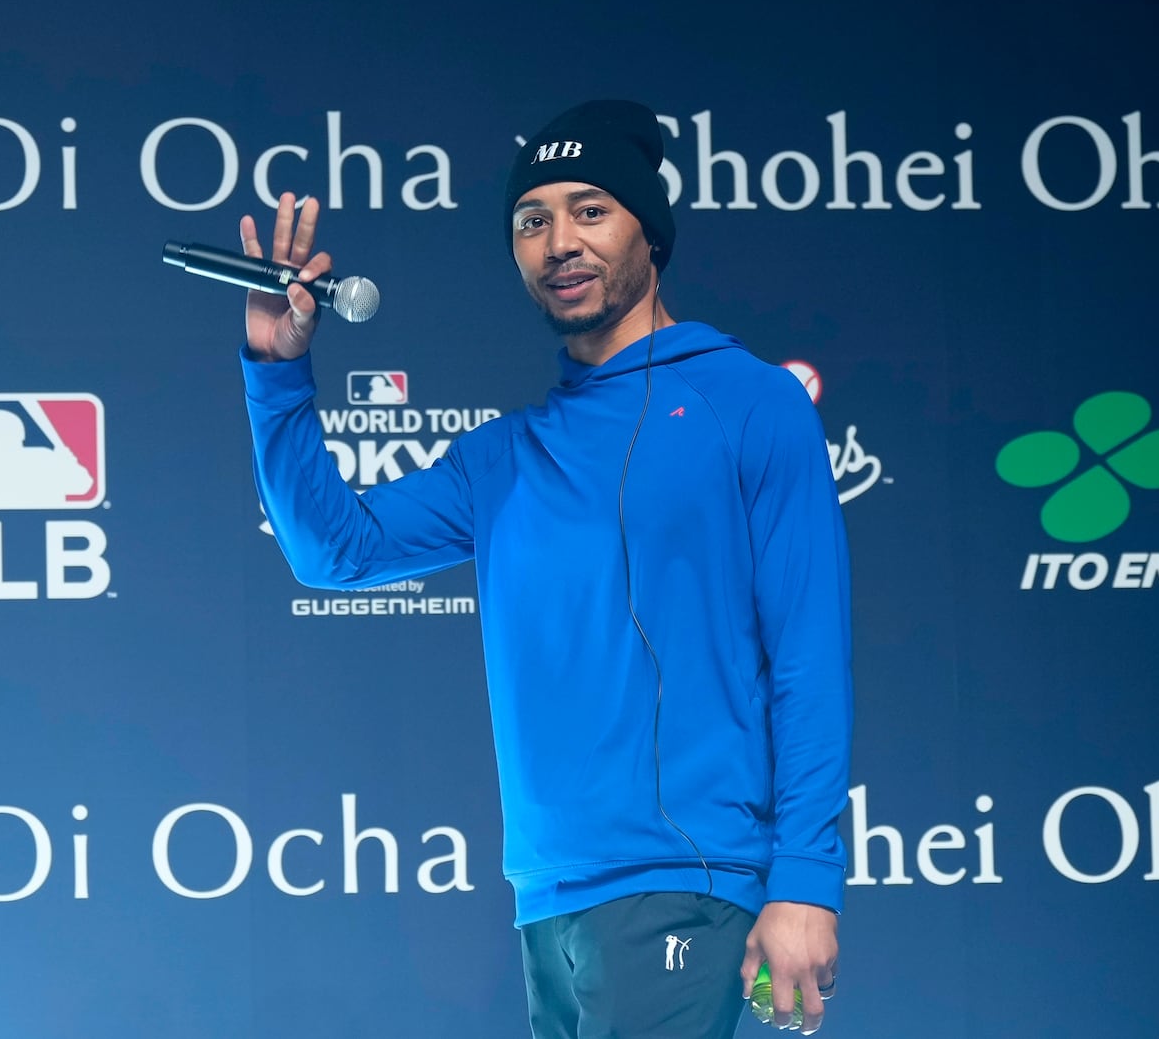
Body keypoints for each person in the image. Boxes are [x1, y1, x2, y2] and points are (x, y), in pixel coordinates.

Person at [237, 100, 853, 1038]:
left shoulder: (751, 403)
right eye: (533, 221)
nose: (559, 241)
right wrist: (276, 371)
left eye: (590, 209)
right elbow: (336, 552)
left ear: (651, 229)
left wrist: (805, 883)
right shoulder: (506, 455)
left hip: (683, 884)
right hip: (550, 897)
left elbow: (808, 656)